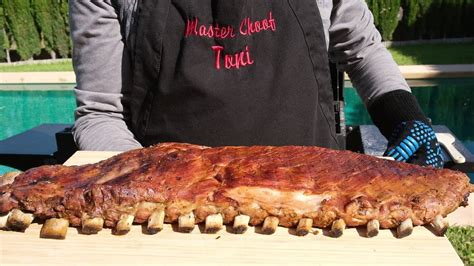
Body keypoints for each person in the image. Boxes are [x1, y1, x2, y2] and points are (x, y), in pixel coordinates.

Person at [70, 0, 443, 168]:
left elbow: (362, 47)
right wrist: (141, 179)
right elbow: (100, 114)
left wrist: (406, 118)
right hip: (168, 215)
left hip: (319, 202)